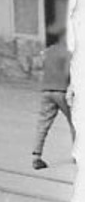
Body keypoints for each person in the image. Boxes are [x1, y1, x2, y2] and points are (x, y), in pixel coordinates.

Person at [34, 36, 73, 169]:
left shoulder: (47, 51)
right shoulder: (69, 52)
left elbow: (40, 67)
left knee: (43, 125)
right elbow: (69, 72)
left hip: (46, 90)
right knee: (76, 123)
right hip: (62, 91)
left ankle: (36, 156)